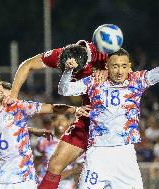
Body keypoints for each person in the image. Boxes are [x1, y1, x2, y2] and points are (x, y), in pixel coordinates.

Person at [58, 39, 159, 188]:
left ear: (129, 67)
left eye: (123, 66)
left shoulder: (137, 81)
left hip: (125, 155)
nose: (119, 71)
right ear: (107, 67)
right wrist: (68, 71)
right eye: (115, 66)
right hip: (97, 154)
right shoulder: (94, 81)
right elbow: (64, 90)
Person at [10, 40, 107, 189]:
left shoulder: (102, 53)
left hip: (111, 119)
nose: (71, 74)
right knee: (55, 164)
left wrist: (108, 70)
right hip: (88, 115)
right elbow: (27, 65)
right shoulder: (60, 55)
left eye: (76, 72)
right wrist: (13, 97)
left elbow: (127, 69)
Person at [0, 72, 79, 189]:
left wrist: (75, 109)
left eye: (0, 84)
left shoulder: (16, 107)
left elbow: (52, 108)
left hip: (23, 180)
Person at [35, 115, 83, 189]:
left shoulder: (76, 143)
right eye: (57, 119)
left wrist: (65, 173)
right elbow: (36, 160)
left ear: (69, 122)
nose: (60, 123)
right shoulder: (44, 140)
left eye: (63, 119)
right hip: (44, 182)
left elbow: (81, 166)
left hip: (66, 184)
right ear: (53, 122)